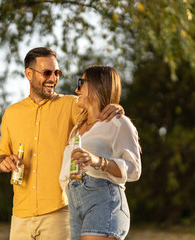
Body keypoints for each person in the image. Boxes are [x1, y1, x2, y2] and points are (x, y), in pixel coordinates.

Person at [0, 47, 124, 240]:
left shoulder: (71, 105)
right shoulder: (11, 114)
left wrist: (115, 106)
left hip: (59, 211)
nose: (53, 78)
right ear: (28, 74)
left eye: (57, 73)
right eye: (47, 72)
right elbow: (1, 153)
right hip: (20, 213)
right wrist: (4, 160)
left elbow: (99, 115)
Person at [59, 66, 142, 240]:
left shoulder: (118, 123)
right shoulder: (76, 128)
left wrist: (98, 161)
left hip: (103, 201)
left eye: (81, 83)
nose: (76, 89)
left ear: (97, 85)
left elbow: (134, 169)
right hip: (75, 206)